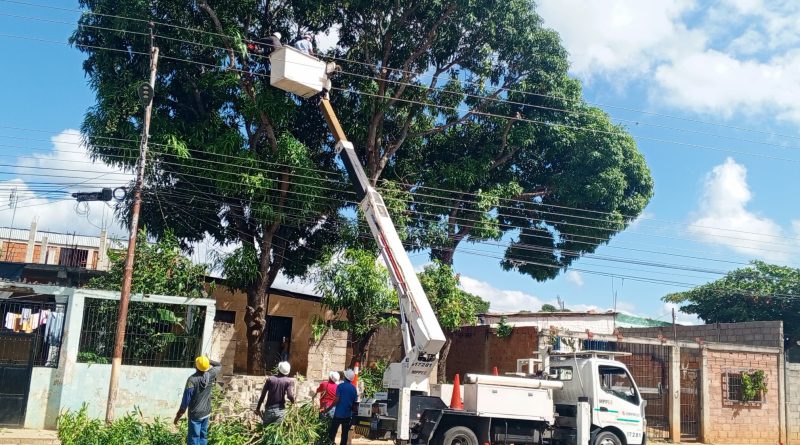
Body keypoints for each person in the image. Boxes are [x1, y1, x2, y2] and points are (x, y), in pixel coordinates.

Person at [174, 355, 222, 445]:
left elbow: (186, 400)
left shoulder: (192, 380)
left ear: (196, 366)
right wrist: (209, 360)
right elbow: (219, 365)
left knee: (194, 438)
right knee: (203, 436)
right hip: (206, 412)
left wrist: (178, 416)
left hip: (195, 414)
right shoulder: (210, 375)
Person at [255, 361, 295, 425]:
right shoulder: (288, 381)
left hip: (269, 410)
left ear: (278, 369)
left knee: (266, 431)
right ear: (287, 372)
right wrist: (294, 403)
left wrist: (257, 409)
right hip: (280, 411)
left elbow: (263, 395)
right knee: (277, 432)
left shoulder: (270, 379)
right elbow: (290, 396)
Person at [324, 369, 358, 445]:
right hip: (347, 415)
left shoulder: (340, 386)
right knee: (344, 435)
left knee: (332, 433)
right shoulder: (354, 389)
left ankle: (330, 443)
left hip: (338, 414)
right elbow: (354, 403)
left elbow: (336, 400)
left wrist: (328, 409)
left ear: (345, 377)